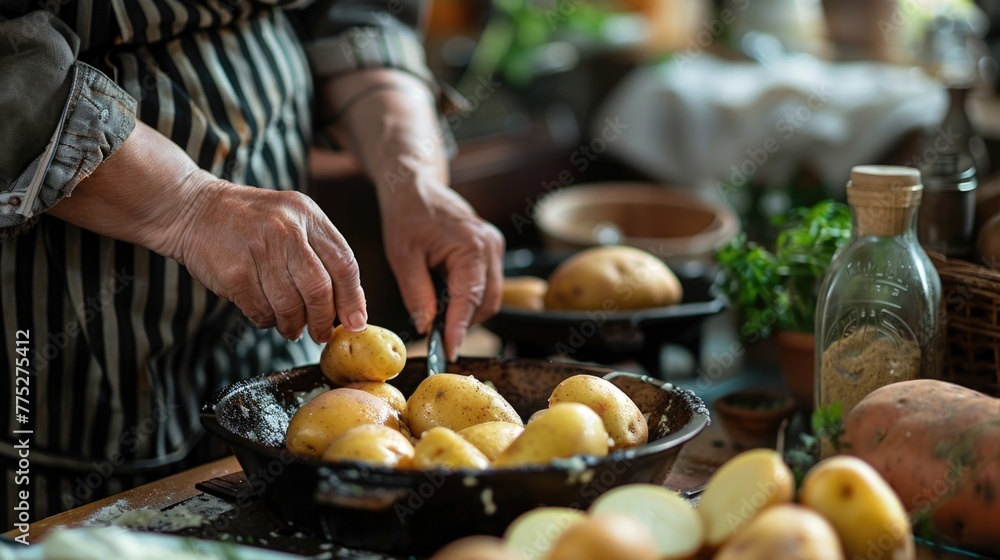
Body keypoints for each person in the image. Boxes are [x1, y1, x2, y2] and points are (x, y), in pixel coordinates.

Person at [0, 0, 504, 529]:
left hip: (266, 338)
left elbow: (359, 12)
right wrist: (186, 203)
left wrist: (412, 178)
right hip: (61, 348)